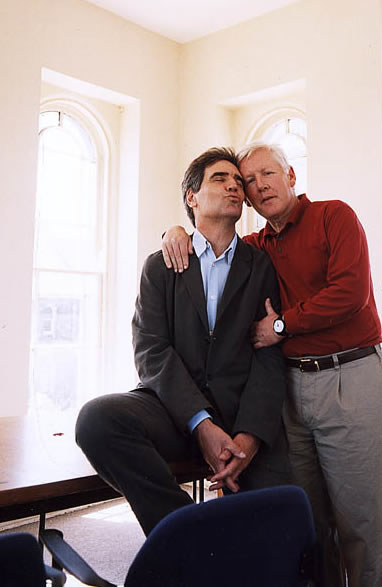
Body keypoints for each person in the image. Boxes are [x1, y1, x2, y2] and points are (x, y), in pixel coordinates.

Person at [162, 142, 382, 587]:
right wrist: (175, 231)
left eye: (266, 175)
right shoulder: (257, 247)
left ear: (291, 176)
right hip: (291, 395)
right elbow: (213, 242)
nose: (257, 186)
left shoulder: (335, 216)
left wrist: (281, 324)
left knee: (368, 527)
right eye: (247, 182)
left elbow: (350, 293)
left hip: (351, 379)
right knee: (310, 526)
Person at [76, 147, 290, 536]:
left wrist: (251, 436)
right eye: (220, 179)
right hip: (173, 411)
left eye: (238, 182)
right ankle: (186, 534)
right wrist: (201, 423)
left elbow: (269, 358)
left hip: (242, 418)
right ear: (191, 198)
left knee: (282, 528)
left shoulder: (260, 265)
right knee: (97, 419)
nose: (234, 187)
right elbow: (151, 349)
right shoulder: (160, 265)